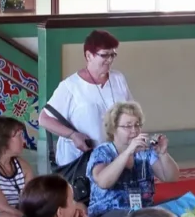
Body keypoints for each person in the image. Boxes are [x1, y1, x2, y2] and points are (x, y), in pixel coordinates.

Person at [85, 101, 180, 217]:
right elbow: (103, 182)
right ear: (113, 129)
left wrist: (163, 154)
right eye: (128, 126)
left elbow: (171, 177)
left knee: (182, 207)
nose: (134, 131)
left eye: (137, 125)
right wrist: (128, 152)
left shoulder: (145, 151)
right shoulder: (102, 152)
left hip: (143, 212)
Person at [39, 30, 134, 167]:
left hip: (114, 157)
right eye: (104, 55)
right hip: (80, 161)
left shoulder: (118, 79)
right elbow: (44, 119)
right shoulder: (70, 86)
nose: (110, 60)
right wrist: (72, 135)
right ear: (88, 56)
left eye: (113, 55)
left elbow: (130, 113)